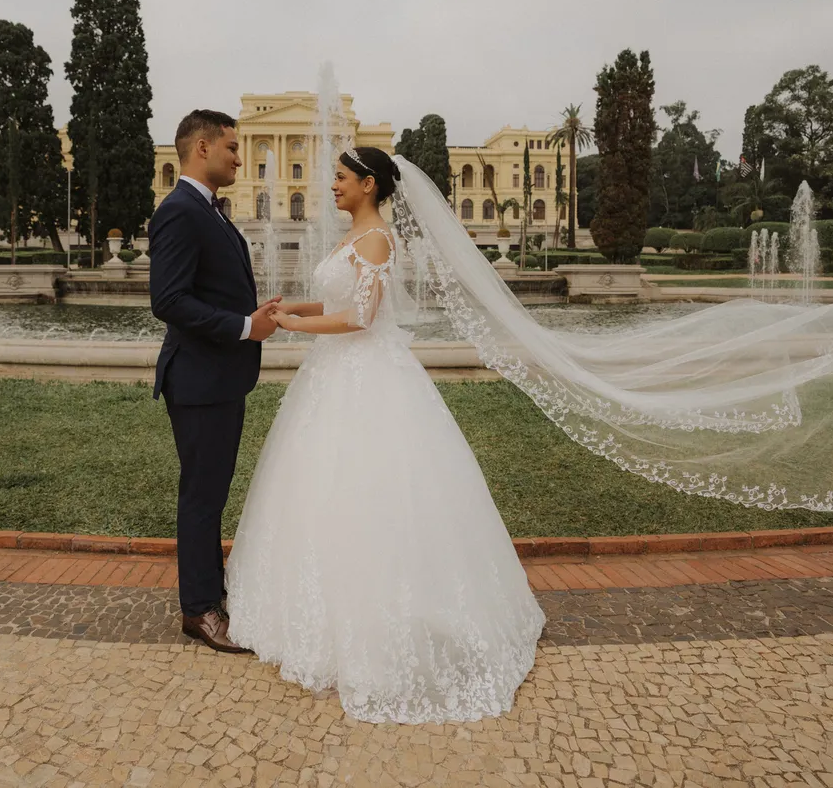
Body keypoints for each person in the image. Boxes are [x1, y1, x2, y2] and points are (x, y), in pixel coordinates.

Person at [224, 146, 546, 724]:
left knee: (370, 486)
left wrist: (293, 326)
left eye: (342, 179)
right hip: (334, 375)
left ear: (369, 185)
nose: (333, 187)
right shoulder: (356, 238)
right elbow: (340, 299)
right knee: (320, 486)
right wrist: (290, 305)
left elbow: (360, 319)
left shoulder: (376, 239)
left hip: (366, 374)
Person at [149, 109, 282, 654]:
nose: (239, 157)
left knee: (211, 493)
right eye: (231, 147)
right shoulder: (180, 210)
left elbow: (211, 289)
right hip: (199, 381)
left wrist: (253, 313)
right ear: (201, 148)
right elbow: (170, 301)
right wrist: (246, 326)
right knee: (202, 498)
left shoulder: (211, 212)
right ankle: (199, 609)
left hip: (219, 378)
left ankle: (210, 593)